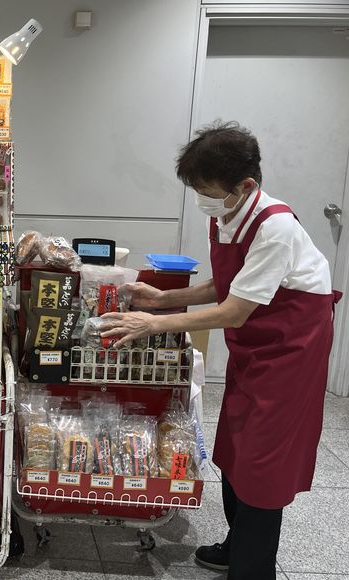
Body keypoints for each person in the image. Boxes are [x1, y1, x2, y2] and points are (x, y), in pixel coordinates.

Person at [100, 121, 341, 580]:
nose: (202, 201)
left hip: (291, 350)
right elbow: (230, 284)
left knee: (263, 461)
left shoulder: (276, 229)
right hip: (255, 345)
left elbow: (234, 309)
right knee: (234, 445)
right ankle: (237, 545)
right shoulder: (228, 213)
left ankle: (253, 569)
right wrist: (164, 297)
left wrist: (154, 322)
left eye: (208, 191)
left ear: (246, 185)